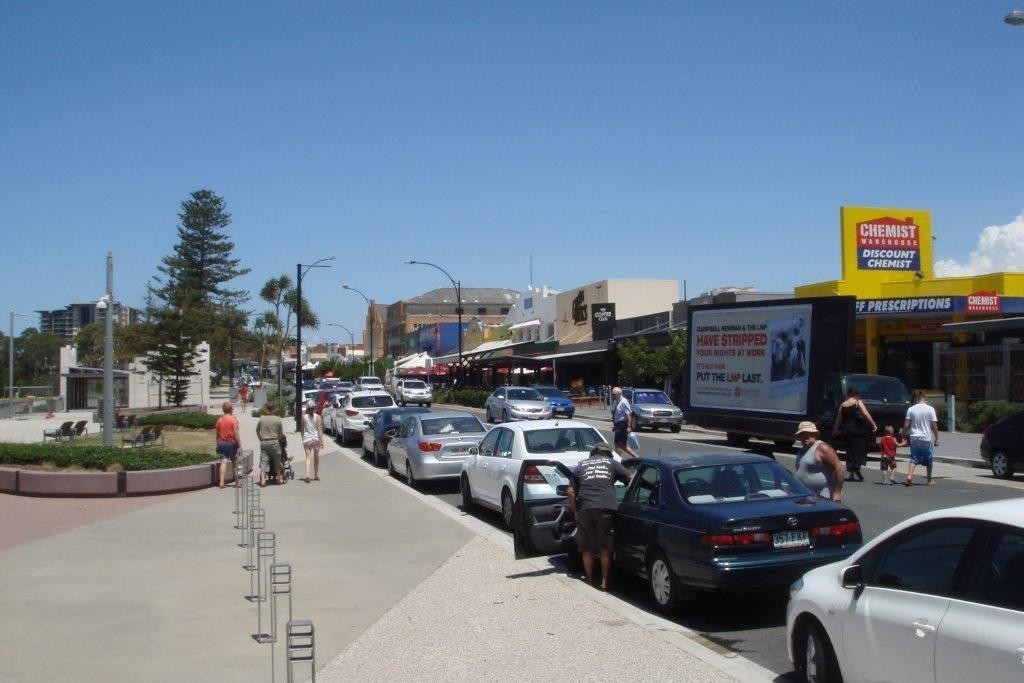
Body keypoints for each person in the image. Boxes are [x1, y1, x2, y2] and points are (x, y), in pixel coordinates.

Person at [567, 443, 632, 591]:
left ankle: (589, 581)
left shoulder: (581, 466)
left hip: (585, 508)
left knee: (587, 548)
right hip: (606, 507)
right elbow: (631, 477)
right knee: (606, 547)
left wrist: (576, 512)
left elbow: (570, 492)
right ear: (606, 454)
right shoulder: (611, 463)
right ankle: (604, 583)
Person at [794, 421, 845, 502]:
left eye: (808, 433)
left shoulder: (822, 448)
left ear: (815, 435)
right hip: (806, 496)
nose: (805, 437)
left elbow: (839, 468)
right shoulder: (802, 450)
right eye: (802, 434)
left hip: (822, 497)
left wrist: (837, 492)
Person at [834, 388, 877, 482]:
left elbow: (839, 419)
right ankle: (856, 467)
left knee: (850, 450)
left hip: (847, 430)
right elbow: (866, 414)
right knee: (860, 449)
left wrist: (835, 429)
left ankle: (851, 472)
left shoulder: (843, 404)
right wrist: (873, 424)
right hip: (858, 430)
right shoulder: (858, 402)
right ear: (856, 395)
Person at [903, 391, 939, 486]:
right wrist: (936, 438)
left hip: (914, 437)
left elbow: (906, 425)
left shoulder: (911, 409)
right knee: (928, 459)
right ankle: (929, 480)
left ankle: (909, 476)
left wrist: (904, 436)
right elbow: (934, 426)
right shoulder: (930, 409)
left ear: (916, 399)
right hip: (926, 437)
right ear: (925, 398)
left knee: (914, 458)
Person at [255, 402, 286, 486]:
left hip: (264, 442)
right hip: (274, 441)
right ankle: (279, 478)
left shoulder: (261, 419)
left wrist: (260, 438)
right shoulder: (277, 419)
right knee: (277, 460)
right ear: (274, 410)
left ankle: (263, 480)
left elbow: (257, 430)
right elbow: (280, 432)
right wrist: (277, 439)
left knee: (264, 460)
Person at [215, 401, 241, 489]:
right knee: (235, 462)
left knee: (223, 461)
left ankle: (222, 482)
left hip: (221, 443)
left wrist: (217, 444)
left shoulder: (219, 420)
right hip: (231, 443)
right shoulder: (233, 419)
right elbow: (236, 433)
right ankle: (238, 482)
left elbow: (217, 434)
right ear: (230, 410)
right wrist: (240, 445)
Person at [300, 399, 323, 483]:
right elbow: (319, 429)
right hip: (316, 439)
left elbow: (302, 429)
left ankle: (307, 475)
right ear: (314, 408)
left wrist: (303, 438)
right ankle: (316, 475)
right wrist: (322, 441)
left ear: (307, 408)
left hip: (307, 439)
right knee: (316, 457)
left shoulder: (304, 417)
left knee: (308, 457)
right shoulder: (318, 417)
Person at [610, 387, 633, 458]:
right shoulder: (616, 401)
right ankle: (636, 457)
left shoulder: (624, 402)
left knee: (617, 444)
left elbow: (629, 415)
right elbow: (616, 414)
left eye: (614, 394)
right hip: (618, 425)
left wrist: (629, 427)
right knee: (622, 445)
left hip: (622, 425)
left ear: (619, 394)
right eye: (612, 394)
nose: (612, 395)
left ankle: (618, 460)